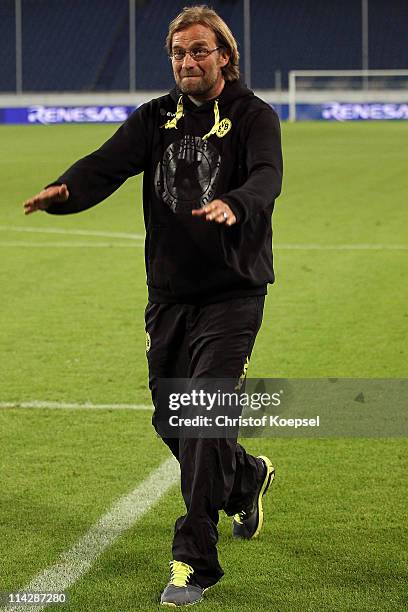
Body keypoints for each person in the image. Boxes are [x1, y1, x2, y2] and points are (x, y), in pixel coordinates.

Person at [23, 5, 283, 607]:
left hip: (233, 295)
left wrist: (238, 203)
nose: (187, 62)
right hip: (168, 297)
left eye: (198, 51)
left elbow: (268, 178)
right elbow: (104, 166)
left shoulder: (253, 117)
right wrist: (66, 190)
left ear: (225, 55)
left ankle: (194, 560)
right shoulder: (155, 118)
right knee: (173, 421)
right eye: (178, 53)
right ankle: (245, 478)